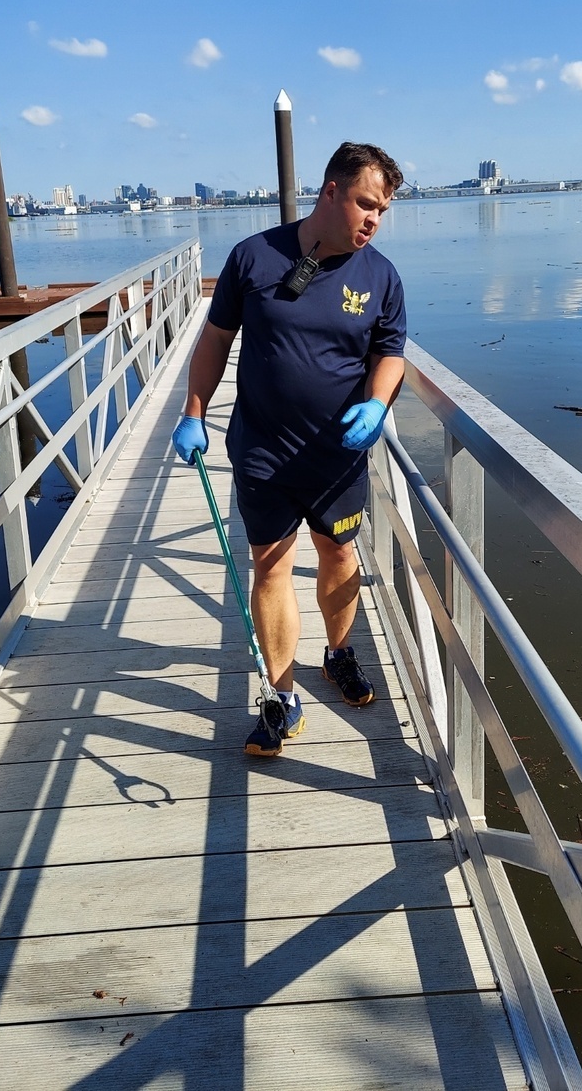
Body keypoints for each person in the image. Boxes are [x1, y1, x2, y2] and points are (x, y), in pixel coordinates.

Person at [171, 142, 406, 756]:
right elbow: (215, 341)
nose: (373, 220)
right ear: (330, 191)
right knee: (270, 565)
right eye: (365, 204)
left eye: (382, 210)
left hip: (338, 457)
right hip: (264, 453)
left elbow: (391, 352)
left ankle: (338, 653)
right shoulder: (253, 257)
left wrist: (378, 404)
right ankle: (281, 697)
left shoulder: (380, 276)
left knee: (338, 553)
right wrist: (194, 411)